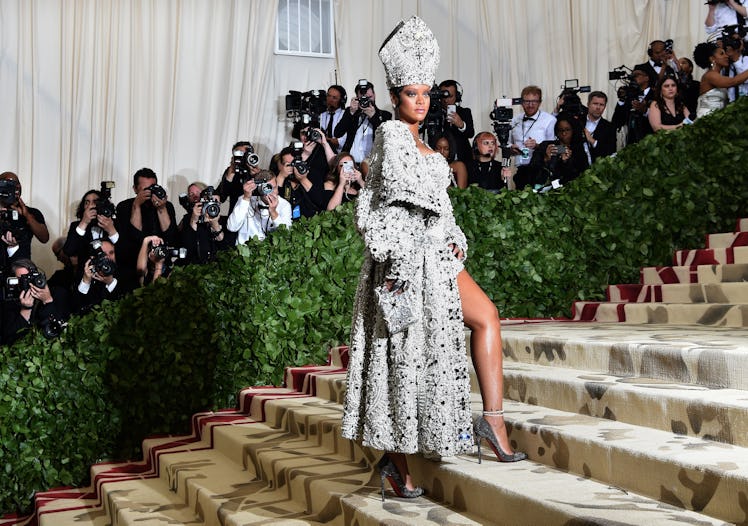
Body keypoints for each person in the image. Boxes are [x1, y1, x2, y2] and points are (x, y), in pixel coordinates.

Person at [341, 16, 525, 502]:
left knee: (486, 316)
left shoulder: (427, 145)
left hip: (438, 259)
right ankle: (397, 465)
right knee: (399, 357)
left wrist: (453, 234)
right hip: (404, 262)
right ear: (395, 97)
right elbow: (390, 202)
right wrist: (410, 251)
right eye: (411, 94)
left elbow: (441, 208)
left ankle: (493, 423)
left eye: (426, 94)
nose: (420, 102)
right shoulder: (390, 135)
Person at [115, 168, 177, 284]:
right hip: (132, 265)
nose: (149, 193)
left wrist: (161, 208)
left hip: (161, 264)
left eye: (152, 188)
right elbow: (135, 236)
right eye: (145, 189)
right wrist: (136, 206)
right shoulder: (124, 206)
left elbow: (170, 236)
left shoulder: (167, 206)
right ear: (135, 189)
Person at [62, 189, 119, 276]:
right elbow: (69, 251)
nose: (91, 206)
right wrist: (84, 223)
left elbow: (124, 251)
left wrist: (111, 230)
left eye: (95, 202)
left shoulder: (115, 223)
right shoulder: (77, 226)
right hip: (86, 276)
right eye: (87, 203)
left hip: (112, 275)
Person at [510, 86, 556, 190]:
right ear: (521, 102)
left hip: (541, 169)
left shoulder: (550, 120)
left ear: (540, 102)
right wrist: (511, 149)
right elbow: (508, 144)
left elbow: (556, 148)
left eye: (534, 101)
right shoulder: (514, 120)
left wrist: (538, 146)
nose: (530, 105)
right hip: (520, 171)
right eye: (527, 101)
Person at [227, 171, 292, 243]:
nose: (272, 193)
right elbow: (232, 227)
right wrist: (246, 198)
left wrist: (274, 213)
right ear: (259, 189)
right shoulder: (245, 199)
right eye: (267, 188)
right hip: (244, 249)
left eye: (274, 188)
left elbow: (287, 235)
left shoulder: (284, 205)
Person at [0, 171, 50, 260]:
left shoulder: (31, 212)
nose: (14, 191)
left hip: (20, 267)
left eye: (17, 187)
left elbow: (44, 238)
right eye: (9, 186)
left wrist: (26, 215)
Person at [529, 115, 589, 187]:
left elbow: (580, 175)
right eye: (561, 130)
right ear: (556, 132)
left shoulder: (578, 150)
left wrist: (565, 162)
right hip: (544, 188)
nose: (564, 133)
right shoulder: (545, 146)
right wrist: (546, 159)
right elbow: (532, 171)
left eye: (567, 130)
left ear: (573, 130)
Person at [340, 81, 392, 163]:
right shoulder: (350, 112)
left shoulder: (385, 115)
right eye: (363, 98)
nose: (366, 101)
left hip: (373, 165)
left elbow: (386, 138)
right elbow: (338, 133)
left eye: (369, 97)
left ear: (374, 96)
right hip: (351, 163)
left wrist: (374, 117)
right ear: (357, 97)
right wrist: (351, 113)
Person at [693, 41, 748, 118]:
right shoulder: (710, 75)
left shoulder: (718, 75)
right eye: (722, 54)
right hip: (707, 119)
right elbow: (734, 81)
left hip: (717, 118)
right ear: (712, 59)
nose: (726, 56)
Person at [177, 182, 228, 264]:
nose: (195, 196)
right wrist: (193, 221)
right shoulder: (188, 219)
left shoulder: (227, 221)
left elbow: (227, 252)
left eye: (215, 202)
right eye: (191, 194)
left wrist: (215, 225)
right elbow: (186, 249)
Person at [436, 79, 475, 163]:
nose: (446, 100)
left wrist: (461, 125)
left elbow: (471, 133)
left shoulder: (465, 112)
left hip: (461, 158)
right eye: (444, 96)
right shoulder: (432, 112)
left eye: (450, 96)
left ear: (457, 96)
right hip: (437, 158)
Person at [584, 91, 617, 163]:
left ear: (605, 107)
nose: (598, 107)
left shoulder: (610, 127)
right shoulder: (578, 121)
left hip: (597, 170)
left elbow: (611, 152)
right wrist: (561, 151)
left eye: (601, 105)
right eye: (595, 104)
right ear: (588, 104)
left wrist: (592, 141)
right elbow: (562, 145)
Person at [319, 85, 349, 152]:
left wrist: (323, 139)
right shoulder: (322, 115)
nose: (330, 100)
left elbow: (339, 142)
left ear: (341, 101)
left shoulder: (346, 116)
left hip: (340, 154)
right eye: (328, 96)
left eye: (334, 98)